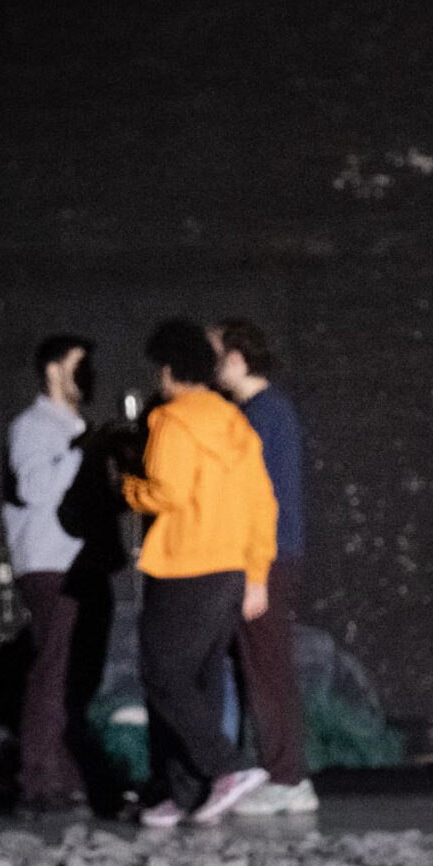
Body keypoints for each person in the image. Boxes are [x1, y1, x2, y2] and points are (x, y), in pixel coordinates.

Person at [121, 318, 278, 827]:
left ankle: (227, 767)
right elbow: (262, 502)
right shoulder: (233, 421)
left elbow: (165, 492)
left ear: (168, 370)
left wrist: (127, 487)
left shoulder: (172, 420)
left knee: (162, 673)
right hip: (229, 568)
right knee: (202, 679)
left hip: (184, 564)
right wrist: (257, 574)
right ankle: (186, 792)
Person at [2, 334, 114, 814]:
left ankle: (63, 775)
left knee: (72, 675)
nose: (87, 374)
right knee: (55, 668)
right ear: (53, 370)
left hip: (80, 564)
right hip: (51, 562)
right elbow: (34, 487)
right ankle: (40, 778)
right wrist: (80, 452)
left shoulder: (74, 425)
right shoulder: (32, 426)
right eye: (77, 364)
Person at [209, 318, 318, 814]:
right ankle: (276, 773)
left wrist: (255, 574)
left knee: (267, 668)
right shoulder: (265, 410)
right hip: (268, 556)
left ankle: (287, 778)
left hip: (266, 558)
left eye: (214, 355)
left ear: (235, 358)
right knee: (259, 666)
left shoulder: (263, 413)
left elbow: (259, 497)